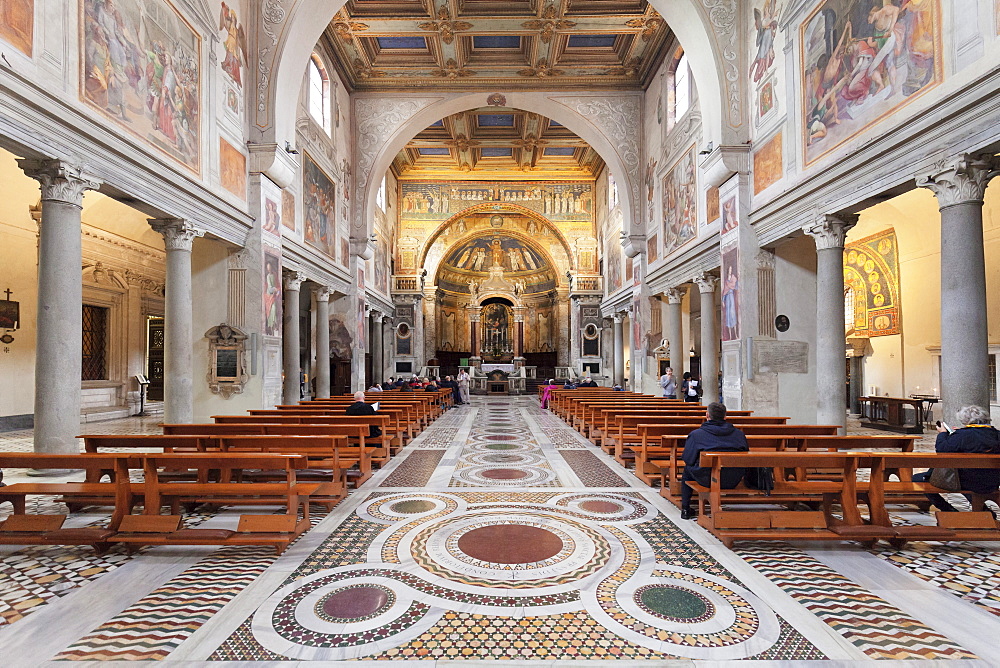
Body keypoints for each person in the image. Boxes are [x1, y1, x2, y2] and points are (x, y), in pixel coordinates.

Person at [912, 405, 1000, 513]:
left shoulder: (961, 436)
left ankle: (947, 509)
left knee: (918, 479)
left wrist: (943, 433)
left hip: (965, 481)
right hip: (993, 481)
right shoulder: (997, 434)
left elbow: (942, 450)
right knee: (969, 476)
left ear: (965, 420)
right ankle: (984, 510)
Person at [680, 402, 749, 519]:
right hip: (733, 479)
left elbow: (688, 459)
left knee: (687, 471)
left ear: (707, 415)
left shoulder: (697, 435)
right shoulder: (739, 434)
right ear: (725, 416)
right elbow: (746, 455)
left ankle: (685, 508)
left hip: (706, 479)